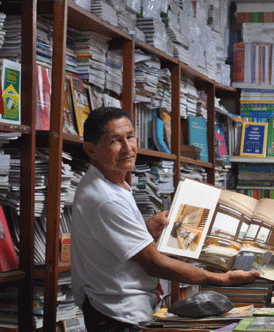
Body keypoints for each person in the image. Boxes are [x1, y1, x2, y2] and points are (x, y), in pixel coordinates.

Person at [71, 107, 260, 332]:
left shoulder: (112, 182)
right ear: (91, 150)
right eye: (115, 141)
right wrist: (223, 279)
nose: (128, 148)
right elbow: (154, 264)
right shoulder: (105, 198)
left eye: (130, 136)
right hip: (118, 316)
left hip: (123, 308)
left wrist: (146, 230)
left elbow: (114, 244)